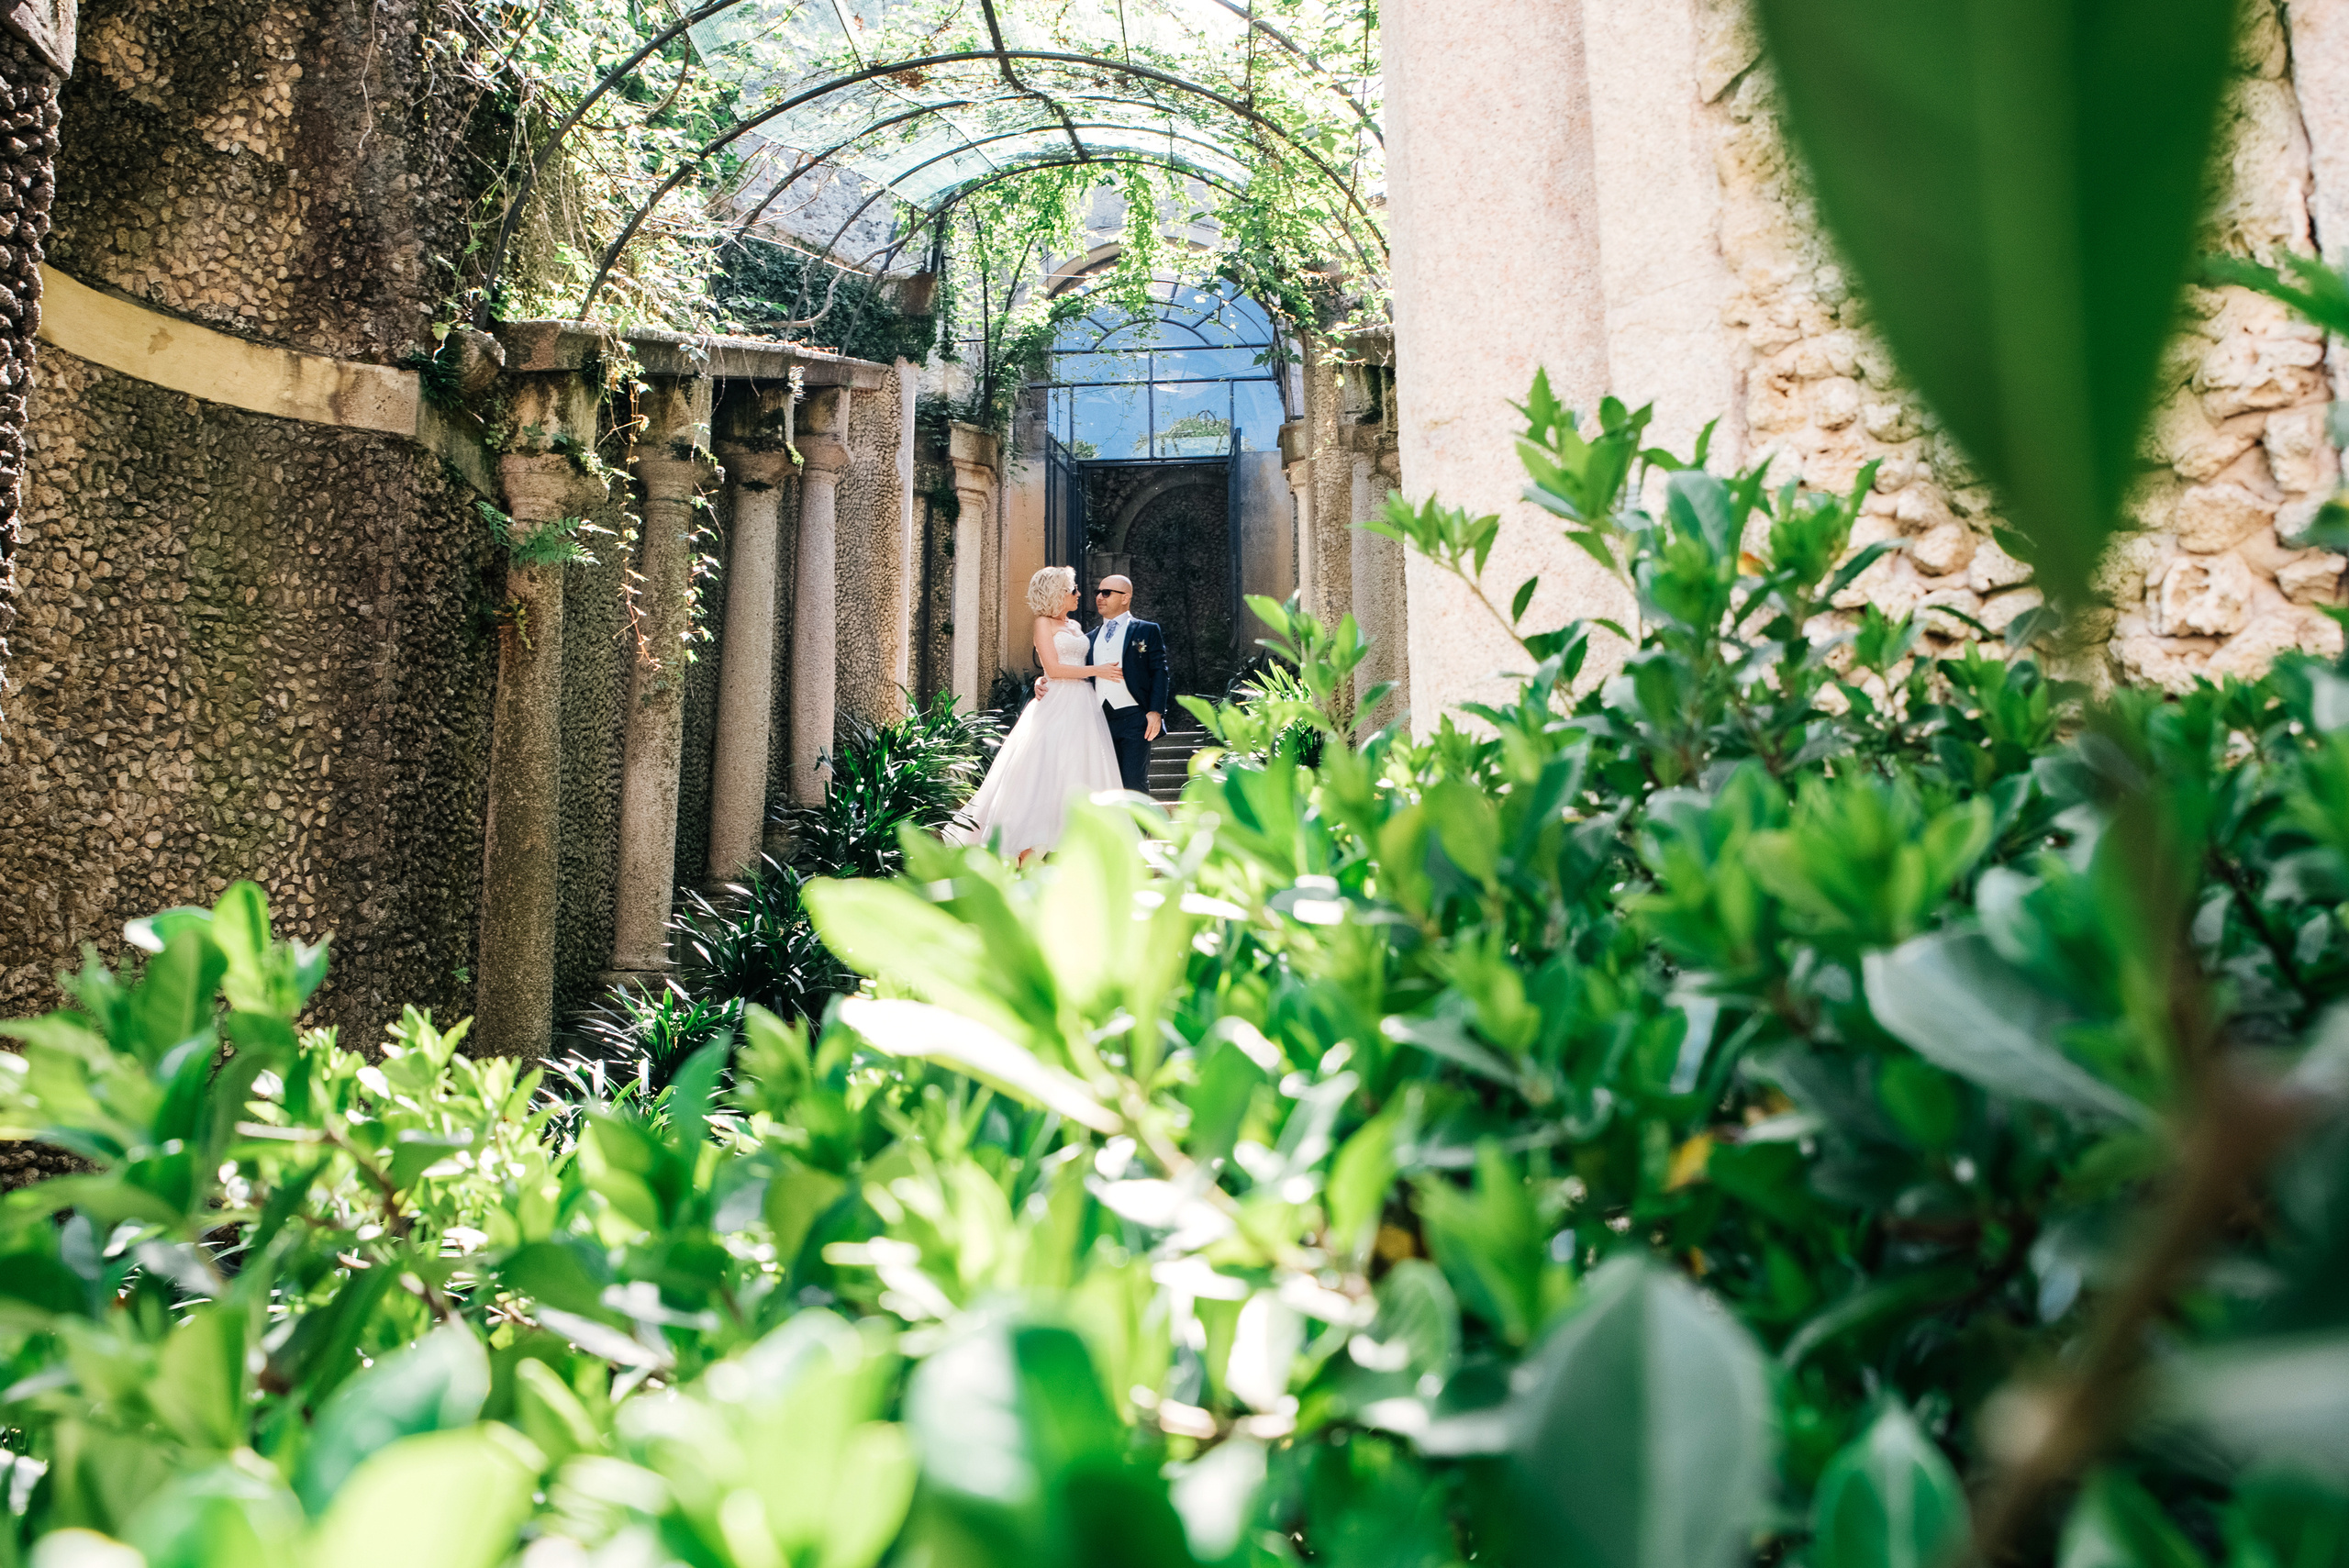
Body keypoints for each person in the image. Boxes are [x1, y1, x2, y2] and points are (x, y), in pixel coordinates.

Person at [946, 565, 1125, 862]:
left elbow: (1074, 661)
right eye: (1073, 590)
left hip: (1083, 704)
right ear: (1057, 595)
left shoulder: (1076, 627)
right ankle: (1026, 845)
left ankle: (1076, 842)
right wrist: (1059, 676)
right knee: (1044, 770)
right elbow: (1052, 668)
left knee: (1079, 769)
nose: (1079, 595)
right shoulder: (1043, 623)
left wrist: (1054, 677)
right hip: (1056, 702)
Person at [1084, 574, 1170, 795]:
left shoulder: (1146, 630)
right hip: (1099, 719)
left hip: (1134, 717)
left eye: (1106, 593)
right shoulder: (1089, 638)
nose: (1099, 598)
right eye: (1098, 593)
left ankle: (1140, 830)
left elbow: (1160, 671)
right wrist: (1042, 681)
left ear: (1125, 598)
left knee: (1134, 782)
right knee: (1105, 785)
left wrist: (1155, 711)